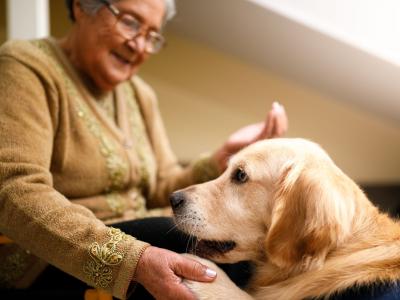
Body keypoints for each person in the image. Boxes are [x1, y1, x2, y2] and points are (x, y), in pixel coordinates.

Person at [0, 0, 288, 299]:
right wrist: (132, 261)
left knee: (252, 258)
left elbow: (161, 187)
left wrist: (221, 157)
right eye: (130, 23)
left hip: (140, 235)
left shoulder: (140, 95)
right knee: (191, 244)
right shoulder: (26, 66)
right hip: (47, 263)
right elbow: (13, 190)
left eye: (152, 36)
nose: (139, 45)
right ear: (82, 7)